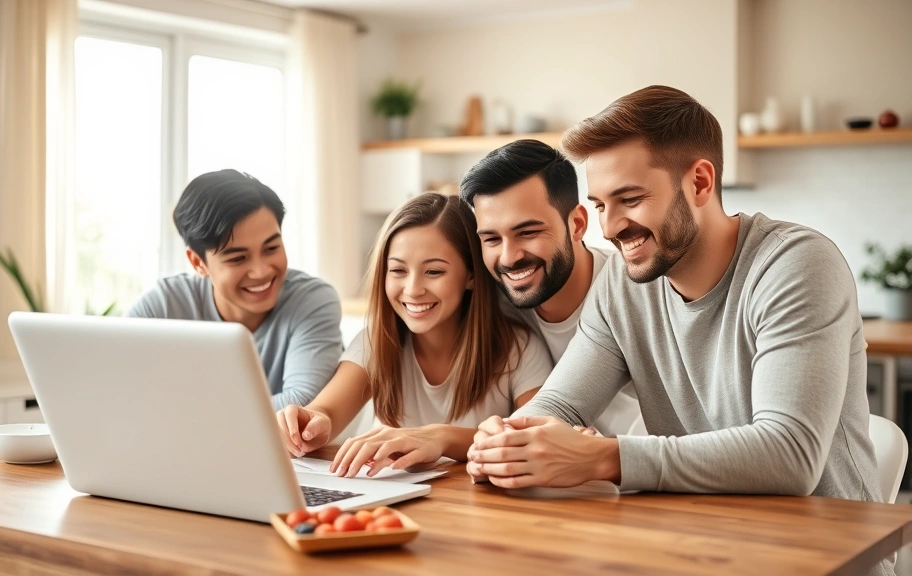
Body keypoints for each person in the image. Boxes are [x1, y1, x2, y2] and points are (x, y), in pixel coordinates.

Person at [467, 85, 882, 506]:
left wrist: (603, 457)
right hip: (705, 546)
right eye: (599, 206)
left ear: (700, 183)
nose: (609, 228)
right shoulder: (622, 286)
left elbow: (791, 455)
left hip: (828, 556)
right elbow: (560, 404)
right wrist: (507, 439)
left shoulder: (795, 264)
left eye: (630, 199)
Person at [277, 193, 552, 478]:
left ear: (471, 275)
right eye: (397, 270)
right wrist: (309, 422)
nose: (413, 289)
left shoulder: (518, 349)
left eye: (433, 271)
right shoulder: (376, 340)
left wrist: (440, 438)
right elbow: (326, 412)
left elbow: (538, 439)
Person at [459, 139, 642, 437]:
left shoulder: (636, 291)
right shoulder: (495, 307)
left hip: (649, 474)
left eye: (527, 232)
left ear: (577, 224)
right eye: (491, 239)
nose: (508, 257)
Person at [126, 169, 343, 411]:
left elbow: (302, 404)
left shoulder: (312, 301)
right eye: (238, 258)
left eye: (271, 248)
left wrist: (182, 413)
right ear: (198, 263)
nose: (261, 271)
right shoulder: (164, 304)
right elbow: (116, 383)